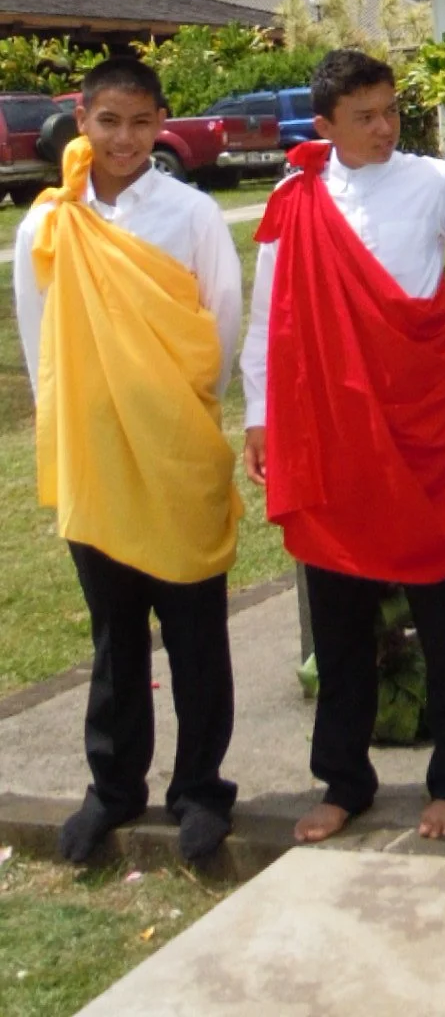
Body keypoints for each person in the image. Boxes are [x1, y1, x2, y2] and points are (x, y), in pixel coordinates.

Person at [241, 48, 445, 846]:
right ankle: (343, 781)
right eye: (364, 116)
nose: (383, 127)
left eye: (391, 110)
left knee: (441, 604)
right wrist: (261, 416)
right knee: (338, 619)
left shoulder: (435, 183)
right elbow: (268, 322)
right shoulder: (294, 199)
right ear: (324, 125)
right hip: (330, 432)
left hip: (420, 420)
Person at [13, 57, 243, 866]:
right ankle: (114, 788)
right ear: (83, 118)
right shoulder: (46, 225)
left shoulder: (190, 215)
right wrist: (85, 433)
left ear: (160, 123)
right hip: (96, 457)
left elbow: (219, 329)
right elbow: (41, 348)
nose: (125, 138)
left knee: (195, 632)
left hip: (176, 449)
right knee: (115, 634)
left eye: (141, 123)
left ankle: (199, 790)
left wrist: (169, 418)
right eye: (109, 121)